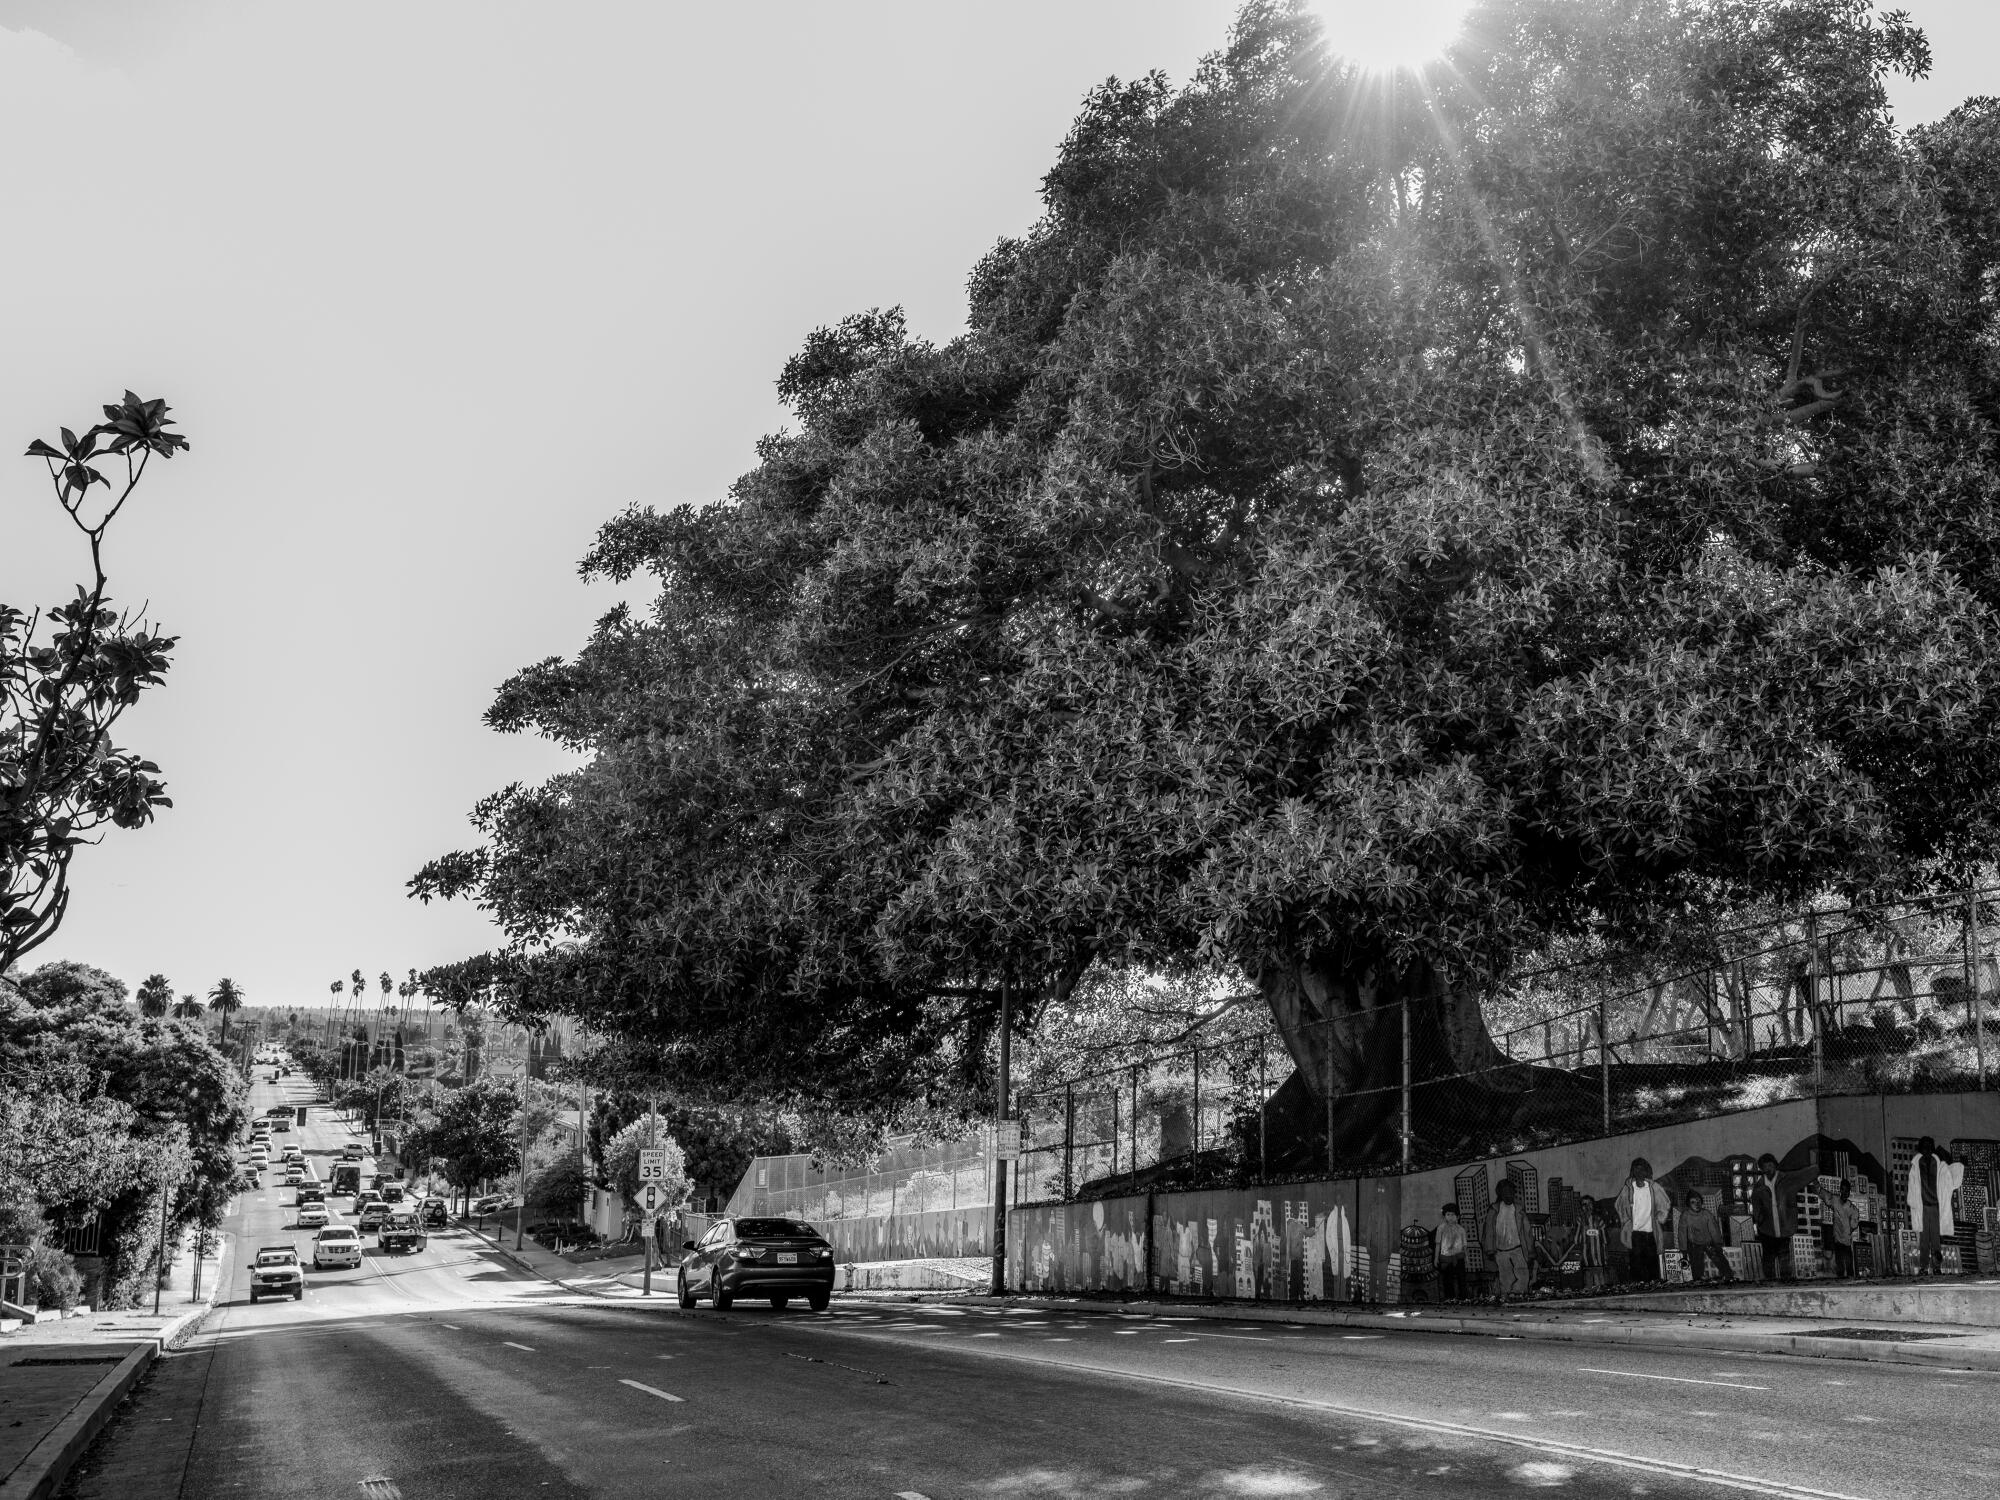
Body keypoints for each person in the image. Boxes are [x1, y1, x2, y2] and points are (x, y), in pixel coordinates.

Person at [1907, 1136, 1965, 1275]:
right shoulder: (1916, 1166)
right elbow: (1911, 1188)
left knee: (1936, 1240)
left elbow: (1951, 1181)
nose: (1927, 1149)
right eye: (1924, 1146)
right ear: (1921, 1149)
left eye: (1929, 1146)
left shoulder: (1940, 1165)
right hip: (1922, 1208)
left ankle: (1937, 1266)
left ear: (1932, 1148)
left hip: (1935, 1207)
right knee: (1924, 1240)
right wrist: (1913, 1204)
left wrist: (1961, 1166)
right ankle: (1923, 1267)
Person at [1615, 1158, 1673, 1282]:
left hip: (1650, 1231)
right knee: (1636, 1262)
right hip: (1634, 1232)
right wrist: (1626, 1221)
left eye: (1642, 1168)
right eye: (1636, 1168)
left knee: (1652, 1261)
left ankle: (1653, 1285)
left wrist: (1659, 1218)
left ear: (1647, 1170)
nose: (1639, 1171)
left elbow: (1665, 1203)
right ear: (1632, 1171)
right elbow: (1619, 1204)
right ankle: (1637, 1287)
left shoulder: (1653, 1187)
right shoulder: (1628, 1187)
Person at [1481, 1178, 1531, 1302]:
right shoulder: (1494, 1210)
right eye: (1505, 1193)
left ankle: (1519, 1294)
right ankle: (1508, 1297)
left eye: (1510, 1192)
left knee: (1523, 1273)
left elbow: (1527, 1231)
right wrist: (1490, 1249)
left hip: (1518, 1248)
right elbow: (1488, 1231)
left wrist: (1530, 1250)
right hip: (1500, 1250)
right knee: (1505, 1276)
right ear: (1500, 1194)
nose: (1508, 1195)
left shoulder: (1519, 1209)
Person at [1750, 1153, 1792, 1280]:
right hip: (1767, 1231)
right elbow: (1756, 1209)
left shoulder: (1784, 1181)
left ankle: (1786, 1285)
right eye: (1765, 1166)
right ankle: (1770, 1284)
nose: (1768, 1168)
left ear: (1775, 1165)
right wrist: (1761, 1222)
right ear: (1761, 1169)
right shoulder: (1758, 1188)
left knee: (1785, 1259)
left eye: (1770, 1165)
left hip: (1783, 1229)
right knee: (1768, 1260)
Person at [1677, 1190, 1733, 1282]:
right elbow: (1682, 1233)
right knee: (1696, 1263)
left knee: (1719, 1259)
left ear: (1701, 1202)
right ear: (1688, 1203)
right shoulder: (1685, 1216)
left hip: (1708, 1242)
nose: (1696, 1204)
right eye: (1693, 1202)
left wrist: (1718, 1244)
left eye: (1698, 1201)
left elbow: (1714, 1230)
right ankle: (1698, 1279)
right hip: (1694, 1243)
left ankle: (1728, 1276)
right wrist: (1683, 1250)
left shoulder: (1706, 1214)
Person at [1435, 1203, 1468, 1301]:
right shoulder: (1441, 1228)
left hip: (1459, 1257)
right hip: (1446, 1257)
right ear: (1444, 1216)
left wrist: (1466, 1258)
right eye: (1448, 1215)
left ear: (1457, 1216)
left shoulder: (1461, 1230)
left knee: (1461, 1278)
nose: (1450, 1217)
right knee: (1447, 1279)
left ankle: (1464, 1298)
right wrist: (1436, 1258)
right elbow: (1438, 1243)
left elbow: (1464, 1245)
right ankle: (1450, 1298)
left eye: (1453, 1215)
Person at [1829, 1180, 1860, 1278]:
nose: (1845, 1193)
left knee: (1848, 1263)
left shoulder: (1852, 1208)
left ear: (1849, 1192)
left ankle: (1849, 1280)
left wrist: (1849, 1229)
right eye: (1843, 1190)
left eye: (1847, 1191)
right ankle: (1841, 1279)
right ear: (1840, 1190)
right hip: (1838, 1239)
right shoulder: (1835, 1202)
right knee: (1840, 1264)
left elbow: (1854, 1224)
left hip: (1846, 1241)